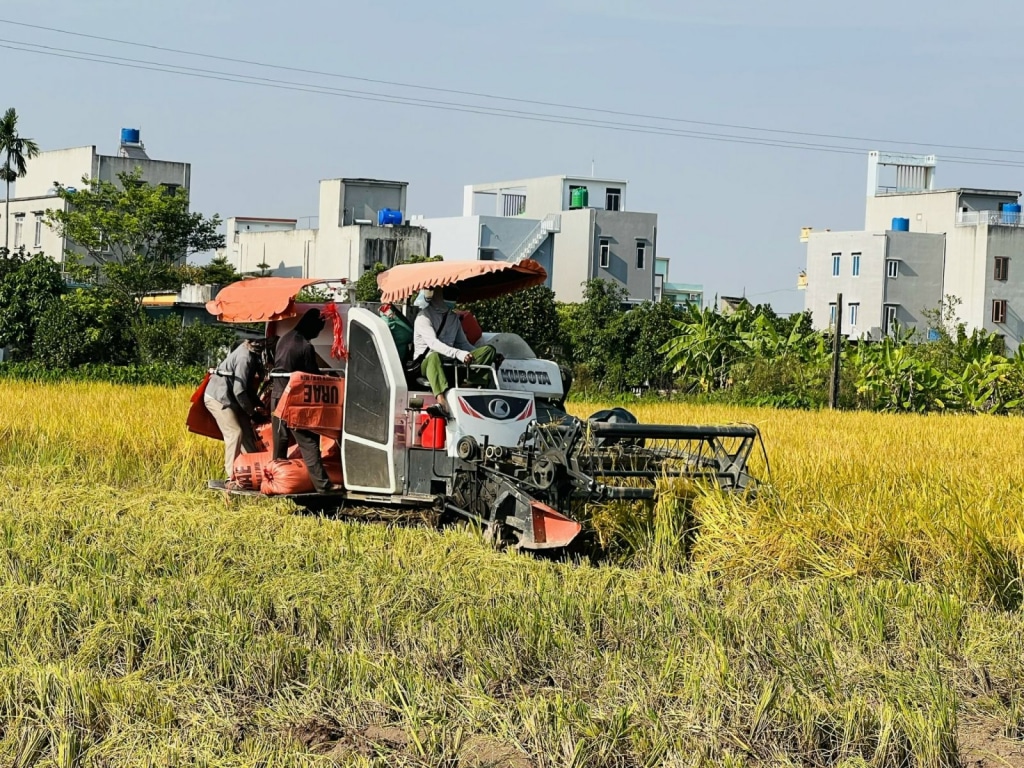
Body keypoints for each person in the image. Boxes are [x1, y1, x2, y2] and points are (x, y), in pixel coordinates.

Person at [271, 308, 343, 493]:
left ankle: (276, 479)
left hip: (278, 394)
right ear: (312, 327)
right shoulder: (305, 346)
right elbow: (313, 377)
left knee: (281, 439)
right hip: (295, 399)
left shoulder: (284, 339)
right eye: (318, 330)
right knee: (309, 441)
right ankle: (323, 485)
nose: (318, 334)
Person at [412, 287, 497, 416]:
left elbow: (463, 344)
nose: (453, 300)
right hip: (427, 364)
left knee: (489, 350)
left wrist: (473, 353)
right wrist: (459, 354)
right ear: (438, 296)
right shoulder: (423, 317)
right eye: (449, 294)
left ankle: (475, 388)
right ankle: (441, 401)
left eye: (455, 296)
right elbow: (434, 344)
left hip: (451, 364)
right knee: (434, 356)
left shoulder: (453, 318)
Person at [205, 339, 267, 482]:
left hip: (233, 398)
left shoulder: (253, 355)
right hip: (219, 397)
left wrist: (258, 406)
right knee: (235, 433)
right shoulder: (245, 358)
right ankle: (231, 477)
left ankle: (255, 474)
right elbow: (239, 391)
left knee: (247, 433)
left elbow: (248, 389)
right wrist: (252, 413)